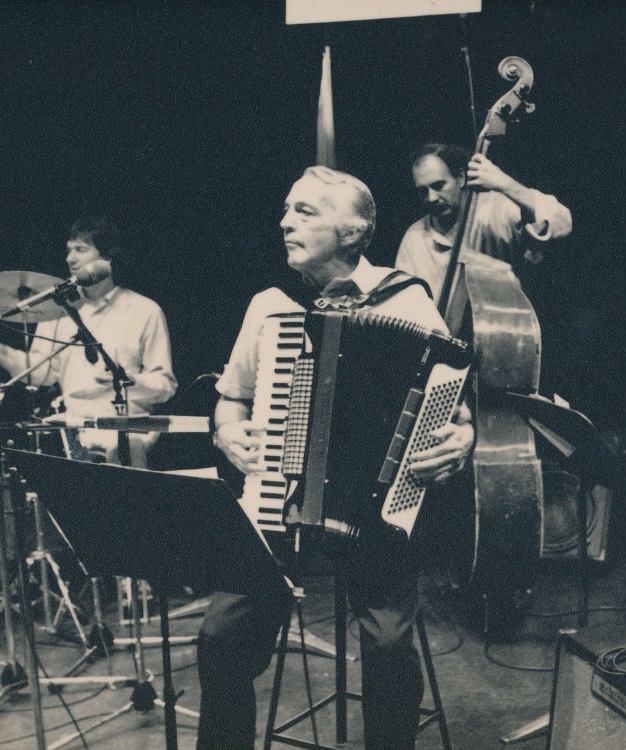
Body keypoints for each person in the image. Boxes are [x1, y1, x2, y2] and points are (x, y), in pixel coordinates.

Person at [198, 165, 474, 750]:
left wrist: (460, 443)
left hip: (373, 517)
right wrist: (227, 433)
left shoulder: (407, 301)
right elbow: (231, 399)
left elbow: (455, 409)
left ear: (353, 232)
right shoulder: (268, 306)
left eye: (305, 211)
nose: (284, 222)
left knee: (388, 645)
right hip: (278, 507)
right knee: (220, 636)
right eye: (286, 209)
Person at [0, 216, 177, 467]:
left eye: (81, 250)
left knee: (121, 455)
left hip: (129, 431)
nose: (70, 259)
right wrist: (4, 354)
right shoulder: (58, 309)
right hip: (74, 430)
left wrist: (127, 380)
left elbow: (165, 385)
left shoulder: (144, 310)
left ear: (107, 258)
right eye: (68, 250)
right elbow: (41, 374)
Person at [395, 142, 572, 306]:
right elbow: (405, 303)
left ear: (461, 178)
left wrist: (505, 184)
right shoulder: (414, 237)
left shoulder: (496, 209)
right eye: (423, 191)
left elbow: (561, 223)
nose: (431, 198)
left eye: (439, 185)